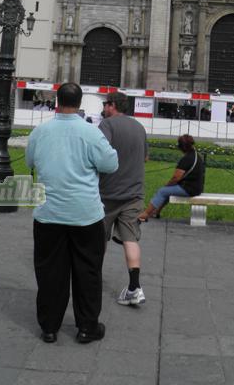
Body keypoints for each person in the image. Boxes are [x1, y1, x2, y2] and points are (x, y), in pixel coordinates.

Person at [26, 82, 118, 345]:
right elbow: (110, 164)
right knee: (87, 271)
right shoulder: (90, 133)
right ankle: (87, 327)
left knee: (49, 272)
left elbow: (30, 161)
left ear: (57, 101)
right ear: (79, 103)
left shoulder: (40, 132)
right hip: (85, 214)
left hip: (49, 213)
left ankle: (49, 327)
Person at [99, 92, 149, 307]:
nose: (103, 108)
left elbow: (100, 153)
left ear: (112, 106)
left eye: (105, 104)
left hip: (107, 194)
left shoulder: (107, 125)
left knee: (98, 239)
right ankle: (134, 287)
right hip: (134, 193)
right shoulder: (139, 127)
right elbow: (145, 157)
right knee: (131, 239)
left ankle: (93, 278)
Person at [138, 134, 204, 221]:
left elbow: (176, 178)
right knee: (168, 192)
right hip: (197, 188)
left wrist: (167, 185)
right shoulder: (196, 155)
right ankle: (156, 212)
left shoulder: (186, 159)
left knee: (162, 191)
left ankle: (145, 214)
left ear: (181, 147)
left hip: (189, 189)